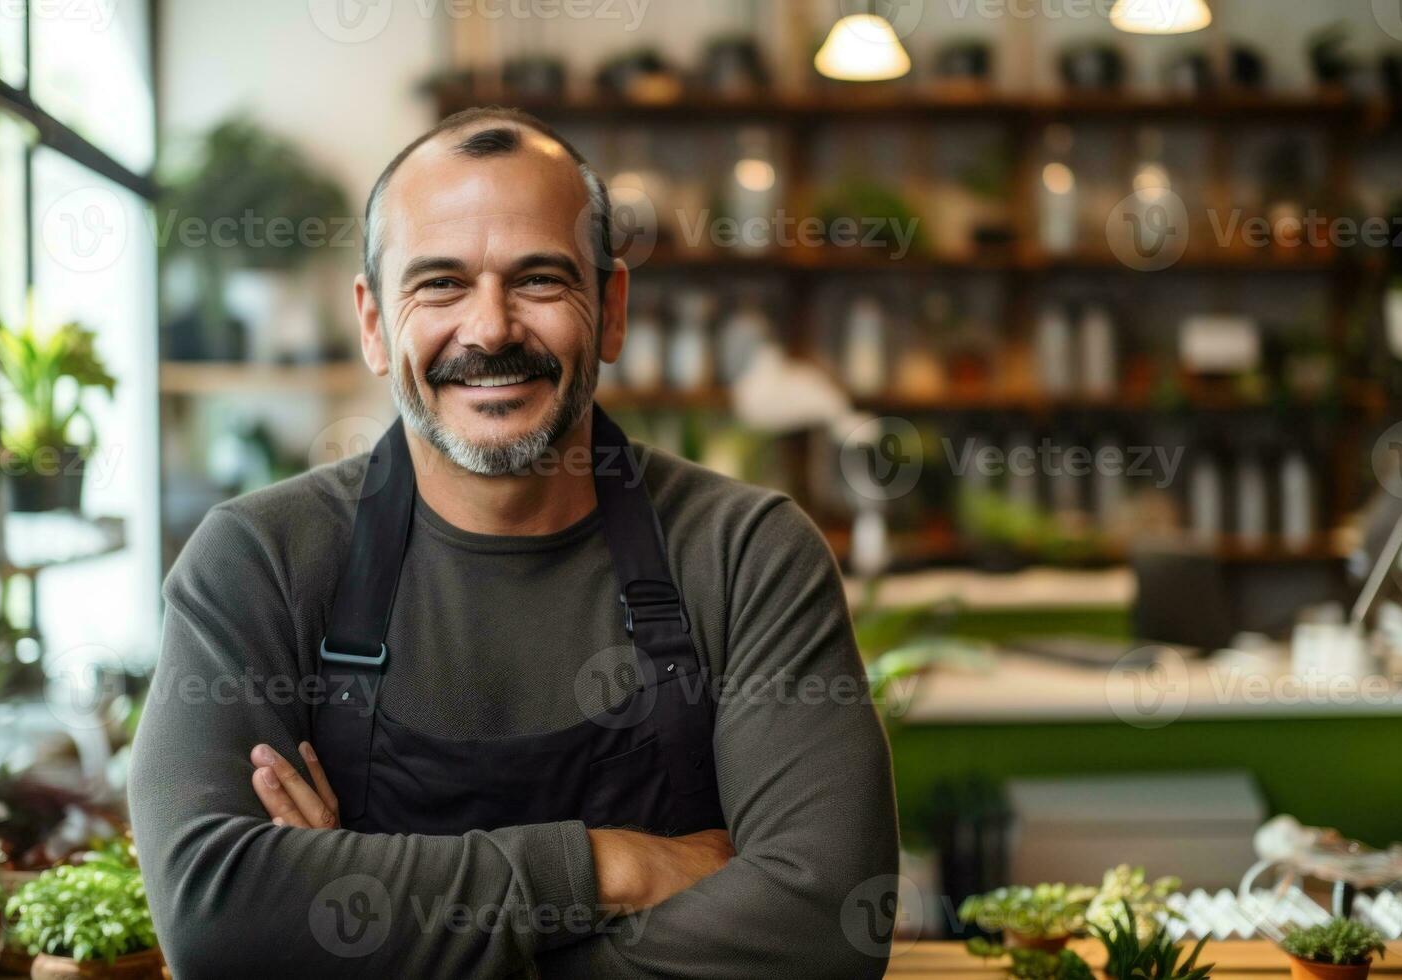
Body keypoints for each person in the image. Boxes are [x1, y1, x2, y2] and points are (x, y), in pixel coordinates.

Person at [129, 107, 898, 978]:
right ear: (375, 322)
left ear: (610, 310)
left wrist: (368, 923)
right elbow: (214, 918)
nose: (490, 330)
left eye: (538, 280)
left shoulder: (746, 554)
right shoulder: (259, 561)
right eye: (440, 284)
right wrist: (616, 866)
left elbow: (829, 925)